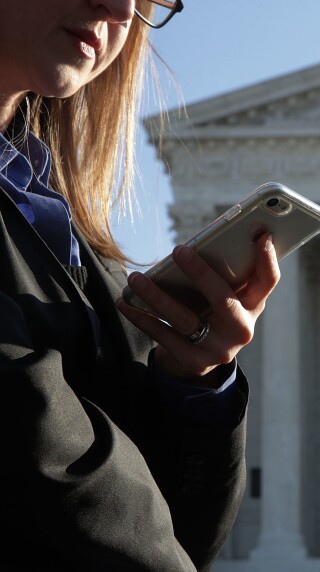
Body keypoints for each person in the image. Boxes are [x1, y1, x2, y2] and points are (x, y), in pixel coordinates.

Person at [0, 1, 281, 570]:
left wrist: (194, 384)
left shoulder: (61, 222)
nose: (121, 8)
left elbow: (181, 537)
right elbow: (31, 447)